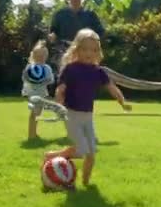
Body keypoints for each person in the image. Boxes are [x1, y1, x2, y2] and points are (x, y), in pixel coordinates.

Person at [44, 29, 131, 188]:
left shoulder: (98, 72)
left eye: (93, 50)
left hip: (87, 117)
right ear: (77, 49)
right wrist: (58, 103)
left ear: (98, 52)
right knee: (81, 150)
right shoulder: (70, 69)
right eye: (84, 49)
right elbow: (61, 89)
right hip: (72, 115)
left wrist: (122, 102)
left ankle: (86, 183)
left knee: (91, 154)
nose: (89, 53)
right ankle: (52, 156)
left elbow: (112, 88)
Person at [21, 40, 54, 140]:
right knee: (34, 113)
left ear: (46, 57)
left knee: (37, 113)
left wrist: (43, 80)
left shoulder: (46, 68)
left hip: (41, 94)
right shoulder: (30, 68)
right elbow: (24, 78)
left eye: (42, 56)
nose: (40, 58)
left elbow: (50, 80)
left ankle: (34, 133)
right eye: (38, 56)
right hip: (32, 93)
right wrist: (32, 80)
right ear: (33, 56)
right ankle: (31, 135)